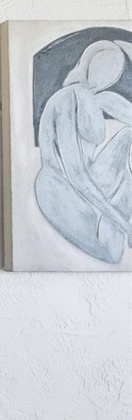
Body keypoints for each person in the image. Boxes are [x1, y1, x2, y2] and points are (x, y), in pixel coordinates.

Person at [35, 40, 132, 264]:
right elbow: (76, 175)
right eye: (103, 65)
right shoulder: (65, 99)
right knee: (111, 252)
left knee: (114, 252)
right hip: (62, 191)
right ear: (87, 64)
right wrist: (123, 223)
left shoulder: (99, 98)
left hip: (88, 181)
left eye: (115, 67)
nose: (108, 74)